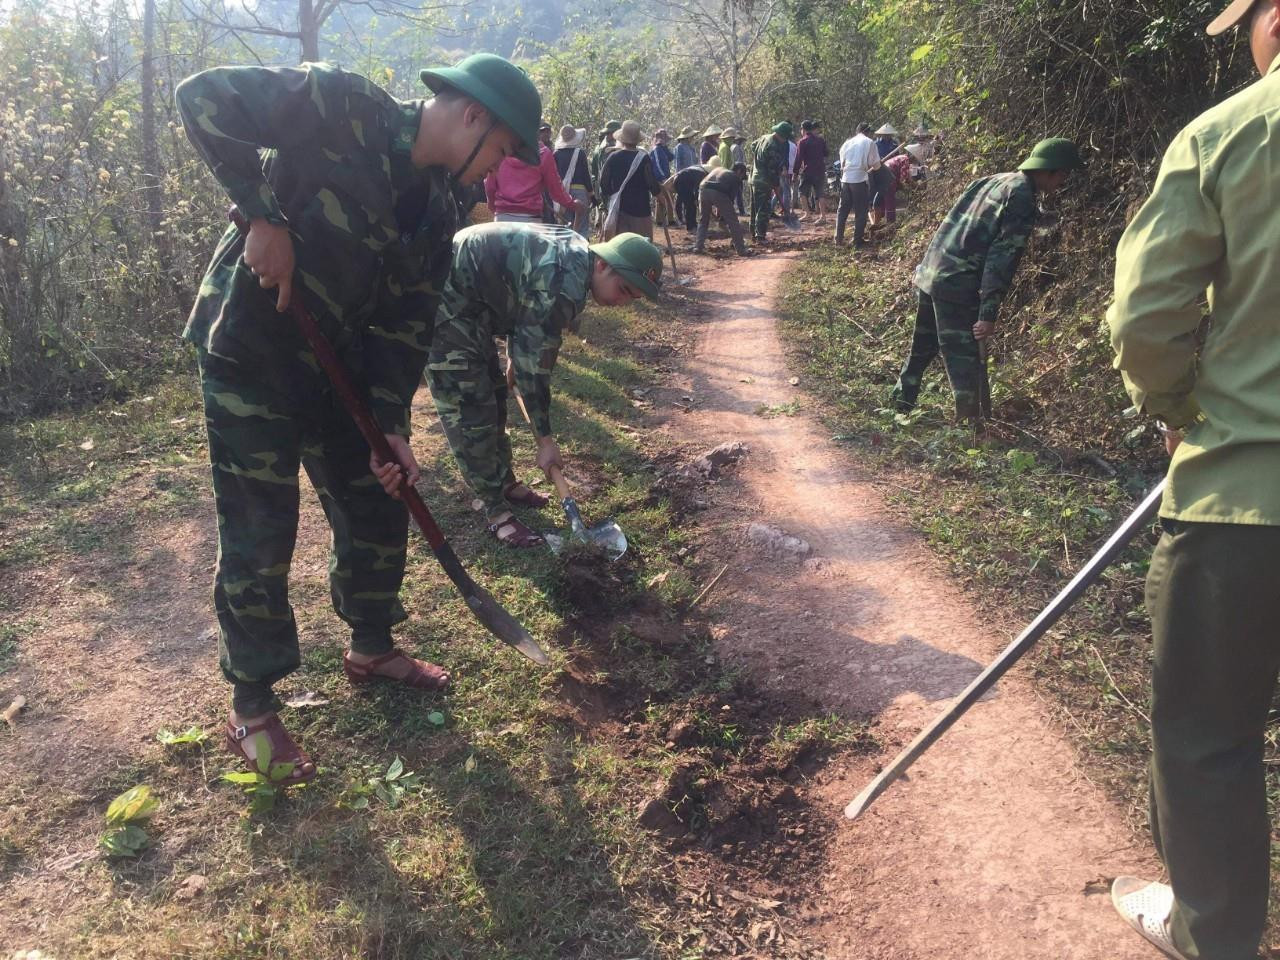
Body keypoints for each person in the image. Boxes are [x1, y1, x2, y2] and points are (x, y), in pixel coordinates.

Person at [175, 54, 542, 784]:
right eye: (501, 151)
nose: (496, 172)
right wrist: (261, 212)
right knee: (261, 528)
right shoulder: (340, 103)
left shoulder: (437, 209)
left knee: (379, 498)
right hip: (252, 355)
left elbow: (408, 323)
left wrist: (389, 422)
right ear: (473, 116)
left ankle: (371, 646)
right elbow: (201, 97)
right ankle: (251, 706)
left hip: (336, 372)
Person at [1106, 2, 1280, 957]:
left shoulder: (1232, 134)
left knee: (1208, 744)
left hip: (1242, 507)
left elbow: (1145, 318)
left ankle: (1215, 939)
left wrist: (1177, 412)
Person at [429, 224, 663, 547]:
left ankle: (504, 482)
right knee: (471, 407)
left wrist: (516, 352)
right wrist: (545, 440)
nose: (623, 302)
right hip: (443, 297)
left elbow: (526, 306)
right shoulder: (563, 283)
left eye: (633, 298)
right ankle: (496, 511)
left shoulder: (579, 257)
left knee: (495, 395)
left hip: (476, 303)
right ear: (603, 264)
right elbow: (534, 371)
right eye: (623, 290)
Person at [889, 138, 1081, 423]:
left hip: (932, 270)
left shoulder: (992, 180)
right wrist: (987, 313)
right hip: (956, 282)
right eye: (1063, 174)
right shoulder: (1022, 196)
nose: (1063, 181)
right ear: (1050, 171)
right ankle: (971, 429)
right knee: (964, 357)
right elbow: (1002, 259)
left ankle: (897, 407)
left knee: (922, 346)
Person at [484, 139, 586, 225]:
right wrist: (573, 204)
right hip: (531, 221)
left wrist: (495, 210)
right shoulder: (543, 153)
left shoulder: (499, 151)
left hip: (502, 220)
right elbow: (556, 191)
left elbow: (490, 187)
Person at [598, 120, 662, 240]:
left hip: (620, 209)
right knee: (641, 246)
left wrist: (611, 197)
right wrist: (661, 198)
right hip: (641, 209)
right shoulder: (643, 158)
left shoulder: (613, 157)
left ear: (621, 139)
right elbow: (652, 184)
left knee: (621, 246)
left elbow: (603, 183)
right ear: (637, 140)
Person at [834, 123, 880, 247]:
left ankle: (838, 239)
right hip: (859, 180)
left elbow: (842, 164)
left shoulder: (846, 143)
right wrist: (874, 167)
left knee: (842, 210)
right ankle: (857, 240)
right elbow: (876, 165)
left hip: (845, 180)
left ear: (857, 131)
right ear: (868, 132)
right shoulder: (870, 142)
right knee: (861, 211)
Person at [748, 121, 790, 244]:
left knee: (755, 208)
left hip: (754, 177)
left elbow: (752, 146)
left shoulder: (764, 137)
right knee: (763, 208)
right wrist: (776, 184)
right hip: (763, 180)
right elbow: (772, 170)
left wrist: (758, 161)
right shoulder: (773, 147)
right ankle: (760, 236)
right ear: (780, 135)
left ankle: (753, 234)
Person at [694, 162, 749, 256]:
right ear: (739, 171)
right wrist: (723, 218)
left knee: (703, 220)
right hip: (717, 192)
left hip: (702, 189)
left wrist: (719, 214)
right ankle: (741, 250)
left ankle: (698, 247)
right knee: (733, 221)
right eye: (742, 176)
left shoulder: (719, 169)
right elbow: (730, 200)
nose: (741, 179)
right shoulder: (734, 178)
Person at [553, 125, 594, 237]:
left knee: (566, 225)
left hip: (563, 194)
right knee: (582, 227)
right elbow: (586, 176)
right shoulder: (580, 153)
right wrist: (591, 195)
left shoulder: (556, 154)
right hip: (580, 192)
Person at [796, 119, 829, 222]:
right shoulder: (821, 140)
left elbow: (799, 158)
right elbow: (826, 153)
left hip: (808, 171)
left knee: (802, 192)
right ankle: (823, 217)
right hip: (820, 170)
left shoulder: (802, 141)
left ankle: (807, 214)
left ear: (803, 130)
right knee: (820, 193)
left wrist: (795, 172)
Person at [870, 152, 912, 227]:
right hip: (888, 176)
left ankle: (878, 223)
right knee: (889, 200)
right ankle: (890, 224)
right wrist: (909, 187)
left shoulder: (899, 157)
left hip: (881, 174)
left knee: (878, 201)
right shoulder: (906, 160)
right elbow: (904, 178)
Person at [666, 162, 708, 234]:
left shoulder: (699, 171)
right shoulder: (702, 175)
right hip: (682, 183)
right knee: (690, 205)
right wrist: (697, 199)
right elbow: (698, 188)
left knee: (691, 205)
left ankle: (693, 225)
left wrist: (696, 199)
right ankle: (691, 227)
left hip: (681, 181)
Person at [729, 130, 748, 214]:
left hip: (733, 172)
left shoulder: (732, 147)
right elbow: (738, 162)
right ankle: (741, 211)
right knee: (739, 192)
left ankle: (736, 210)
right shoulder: (736, 147)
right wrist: (740, 173)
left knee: (735, 192)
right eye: (740, 140)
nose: (741, 141)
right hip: (737, 172)